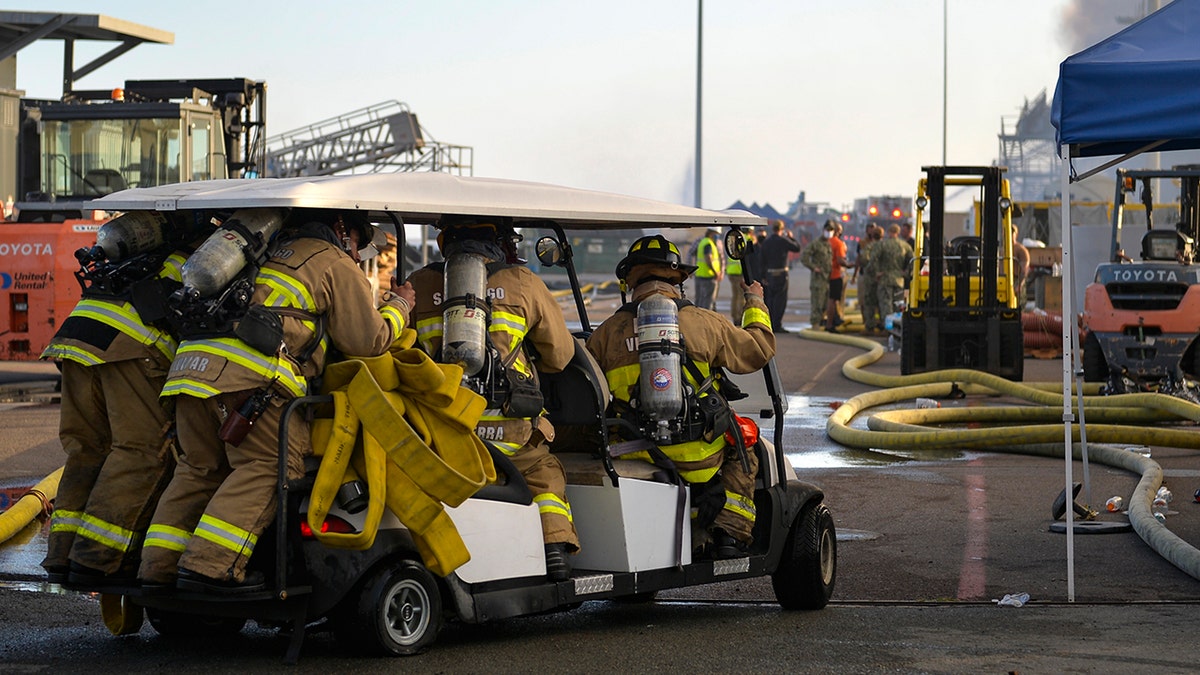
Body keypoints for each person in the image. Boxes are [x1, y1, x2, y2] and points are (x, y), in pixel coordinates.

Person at [138, 209, 414, 593]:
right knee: (267, 465)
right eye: (357, 240)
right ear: (340, 228)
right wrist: (399, 307)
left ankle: (159, 566)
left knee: (199, 469)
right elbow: (365, 341)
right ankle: (208, 568)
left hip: (190, 373)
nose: (357, 253)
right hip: (251, 383)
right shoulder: (331, 260)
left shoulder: (258, 253)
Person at [406, 216, 580, 580]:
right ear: (501, 243)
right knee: (544, 475)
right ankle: (555, 552)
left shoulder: (418, 285)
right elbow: (560, 357)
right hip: (512, 437)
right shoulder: (523, 284)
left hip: (443, 435)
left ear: (444, 241)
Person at [586, 234, 774, 558]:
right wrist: (755, 303)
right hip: (698, 458)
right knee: (744, 448)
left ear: (630, 278)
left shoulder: (605, 334)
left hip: (632, 455)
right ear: (677, 278)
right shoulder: (704, 322)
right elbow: (759, 349)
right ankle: (728, 534)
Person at [41, 243, 191, 588]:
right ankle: (96, 559)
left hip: (77, 336)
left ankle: (62, 554)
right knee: (141, 450)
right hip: (128, 348)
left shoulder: (144, 252)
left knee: (87, 448)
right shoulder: (207, 261)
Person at [758, 220, 801, 333]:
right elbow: (797, 248)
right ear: (782, 229)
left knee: (770, 300)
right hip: (782, 273)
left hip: (770, 273)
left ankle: (770, 323)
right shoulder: (783, 241)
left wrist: (763, 275)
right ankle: (777, 324)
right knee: (780, 300)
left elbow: (762, 260)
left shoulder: (766, 242)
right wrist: (791, 238)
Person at [873, 223, 914, 324]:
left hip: (885, 279)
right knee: (899, 305)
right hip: (899, 279)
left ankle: (888, 327)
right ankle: (898, 326)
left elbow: (873, 259)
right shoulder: (905, 245)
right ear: (898, 232)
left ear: (889, 232)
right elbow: (913, 260)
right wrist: (907, 272)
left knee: (886, 305)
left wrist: (877, 272)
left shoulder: (882, 244)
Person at [799, 221, 834, 330]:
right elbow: (804, 257)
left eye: (831, 231)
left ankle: (822, 322)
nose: (829, 233)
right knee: (817, 303)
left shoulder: (829, 244)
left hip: (828, 278)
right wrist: (813, 267)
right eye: (827, 230)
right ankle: (815, 324)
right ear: (823, 230)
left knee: (825, 304)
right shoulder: (815, 244)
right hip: (818, 280)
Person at [855, 224, 883, 334]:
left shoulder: (870, 247)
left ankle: (872, 325)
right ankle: (873, 323)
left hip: (872, 276)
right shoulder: (864, 243)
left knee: (872, 301)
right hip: (877, 276)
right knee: (871, 301)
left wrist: (871, 269)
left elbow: (863, 260)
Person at [725, 228, 756, 322]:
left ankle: (735, 316)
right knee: (741, 296)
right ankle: (739, 317)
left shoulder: (735, 237)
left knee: (735, 296)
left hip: (731, 271)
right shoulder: (747, 238)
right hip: (739, 272)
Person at [824, 220, 849, 332]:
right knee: (833, 300)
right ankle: (830, 324)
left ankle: (829, 320)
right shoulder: (838, 243)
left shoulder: (824, 242)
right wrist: (849, 265)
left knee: (827, 299)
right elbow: (840, 260)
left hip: (825, 275)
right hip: (835, 274)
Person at [692, 228, 724, 311]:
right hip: (709, 276)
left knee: (700, 300)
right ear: (711, 233)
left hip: (700, 275)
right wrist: (715, 272)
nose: (717, 236)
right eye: (716, 234)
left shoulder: (702, 242)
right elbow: (708, 259)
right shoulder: (708, 244)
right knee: (708, 302)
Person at [1011, 228, 1030, 309]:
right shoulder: (1002, 249)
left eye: (1012, 232)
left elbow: (1024, 270)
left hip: (1016, 280)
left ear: (1016, 234)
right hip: (1006, 280)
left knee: (1019, 308)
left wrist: (1019, 285)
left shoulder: (1021, 250)